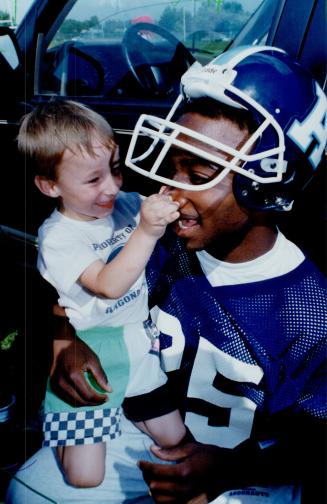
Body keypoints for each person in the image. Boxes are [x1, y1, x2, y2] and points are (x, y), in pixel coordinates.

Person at [7, 45, 326, 503]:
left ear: (269, 179)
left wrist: (230, 469)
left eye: (196, 172)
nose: (169, 193)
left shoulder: (312, 311)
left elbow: (315, 441)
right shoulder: (154, 241)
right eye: (170, 165)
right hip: (142, 429)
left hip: (246, 468)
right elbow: (72, 300)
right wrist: (67, 343)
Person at [15, 100, 187, 489]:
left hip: (140, 349)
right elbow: (108, 285)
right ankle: (55, 419)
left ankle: (131, 411)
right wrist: (146, 231)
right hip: (92, 356)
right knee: (85, 478)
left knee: (176, 442)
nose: (112, 187)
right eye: (93, 180)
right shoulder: (59, 237)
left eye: (115, 169)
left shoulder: (124, 204)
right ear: (50, 186)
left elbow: (160, 212)